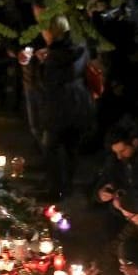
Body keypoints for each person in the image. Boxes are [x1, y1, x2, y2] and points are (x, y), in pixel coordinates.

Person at [22, 18, 97, 201]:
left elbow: (43, 85)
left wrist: (38, 65)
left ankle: (55, 190)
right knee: (71, 150)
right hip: (79, 104)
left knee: (52, 150)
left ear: (50, 32)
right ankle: (66, 186)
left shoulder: (54, 57)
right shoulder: (79, 46)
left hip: (58, 109)